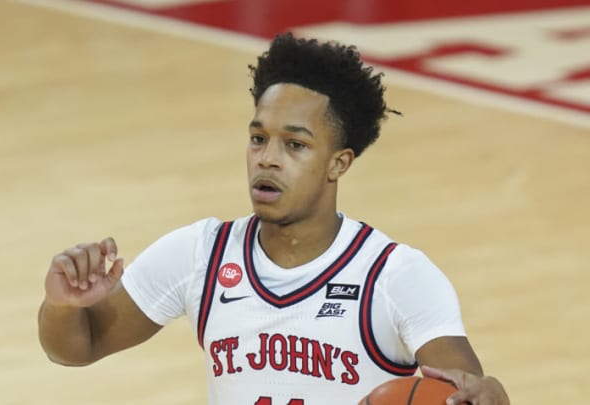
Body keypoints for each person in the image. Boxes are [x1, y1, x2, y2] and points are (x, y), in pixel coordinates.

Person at [38, 33, 510, 405]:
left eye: (295, 145)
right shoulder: (201, 254)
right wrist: (64, 305)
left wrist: (486, 393)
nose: (267, 159)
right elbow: (80, 346)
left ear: (339, 163)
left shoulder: (394, 277)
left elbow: (462, 387)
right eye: (258, 138)